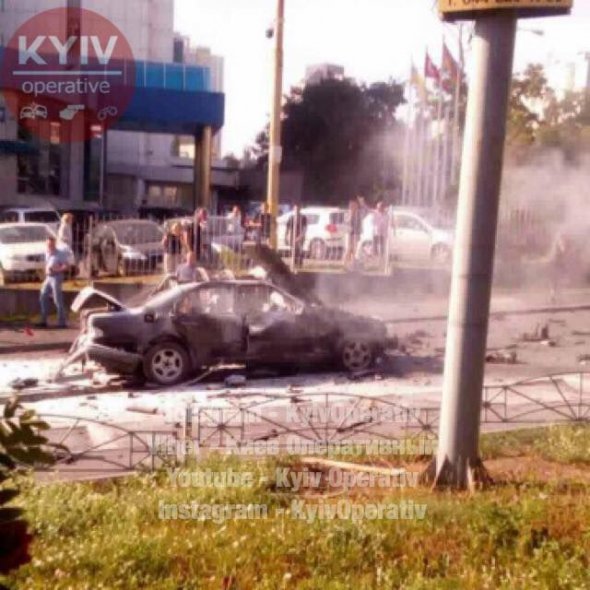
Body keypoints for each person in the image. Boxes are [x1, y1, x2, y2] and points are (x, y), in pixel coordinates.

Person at [38, 236, 69, 328]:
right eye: (48, 244)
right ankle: (43, 320)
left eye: (51, 244)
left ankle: (62, 322)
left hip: (56, 277)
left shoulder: (60, 254)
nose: (49, 246)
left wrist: (57, 269)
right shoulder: (47, 253)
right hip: (48, 277)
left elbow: (66, 266)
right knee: (43, 296)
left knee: (57, 299)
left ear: (54, 244)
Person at [286, 204, 307, 269]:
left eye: (298, 208)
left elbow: (304, 228)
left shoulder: (303, 218)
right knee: (293, 250)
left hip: (300, 236)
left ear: (300, 209)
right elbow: (288, 228)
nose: (296, 210)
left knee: (299, 250)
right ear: (293, 209)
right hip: (292, 235)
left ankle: (300, 264)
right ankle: (294, 264)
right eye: (295, 208)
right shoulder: (291, 217)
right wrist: (287, 236)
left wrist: (300, 237)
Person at [345, 199, 362, 265]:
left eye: (356, 206)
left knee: (355, 248)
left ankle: (352, 263)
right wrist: (351, 214)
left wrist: (359, 233)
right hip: (349, 234)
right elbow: (347, 222)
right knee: (349, 248)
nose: (355, 207)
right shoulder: (348, 213)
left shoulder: (358, 214)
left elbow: (359, 224)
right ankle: (345, 263)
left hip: (356, 233)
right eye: (353, 205)